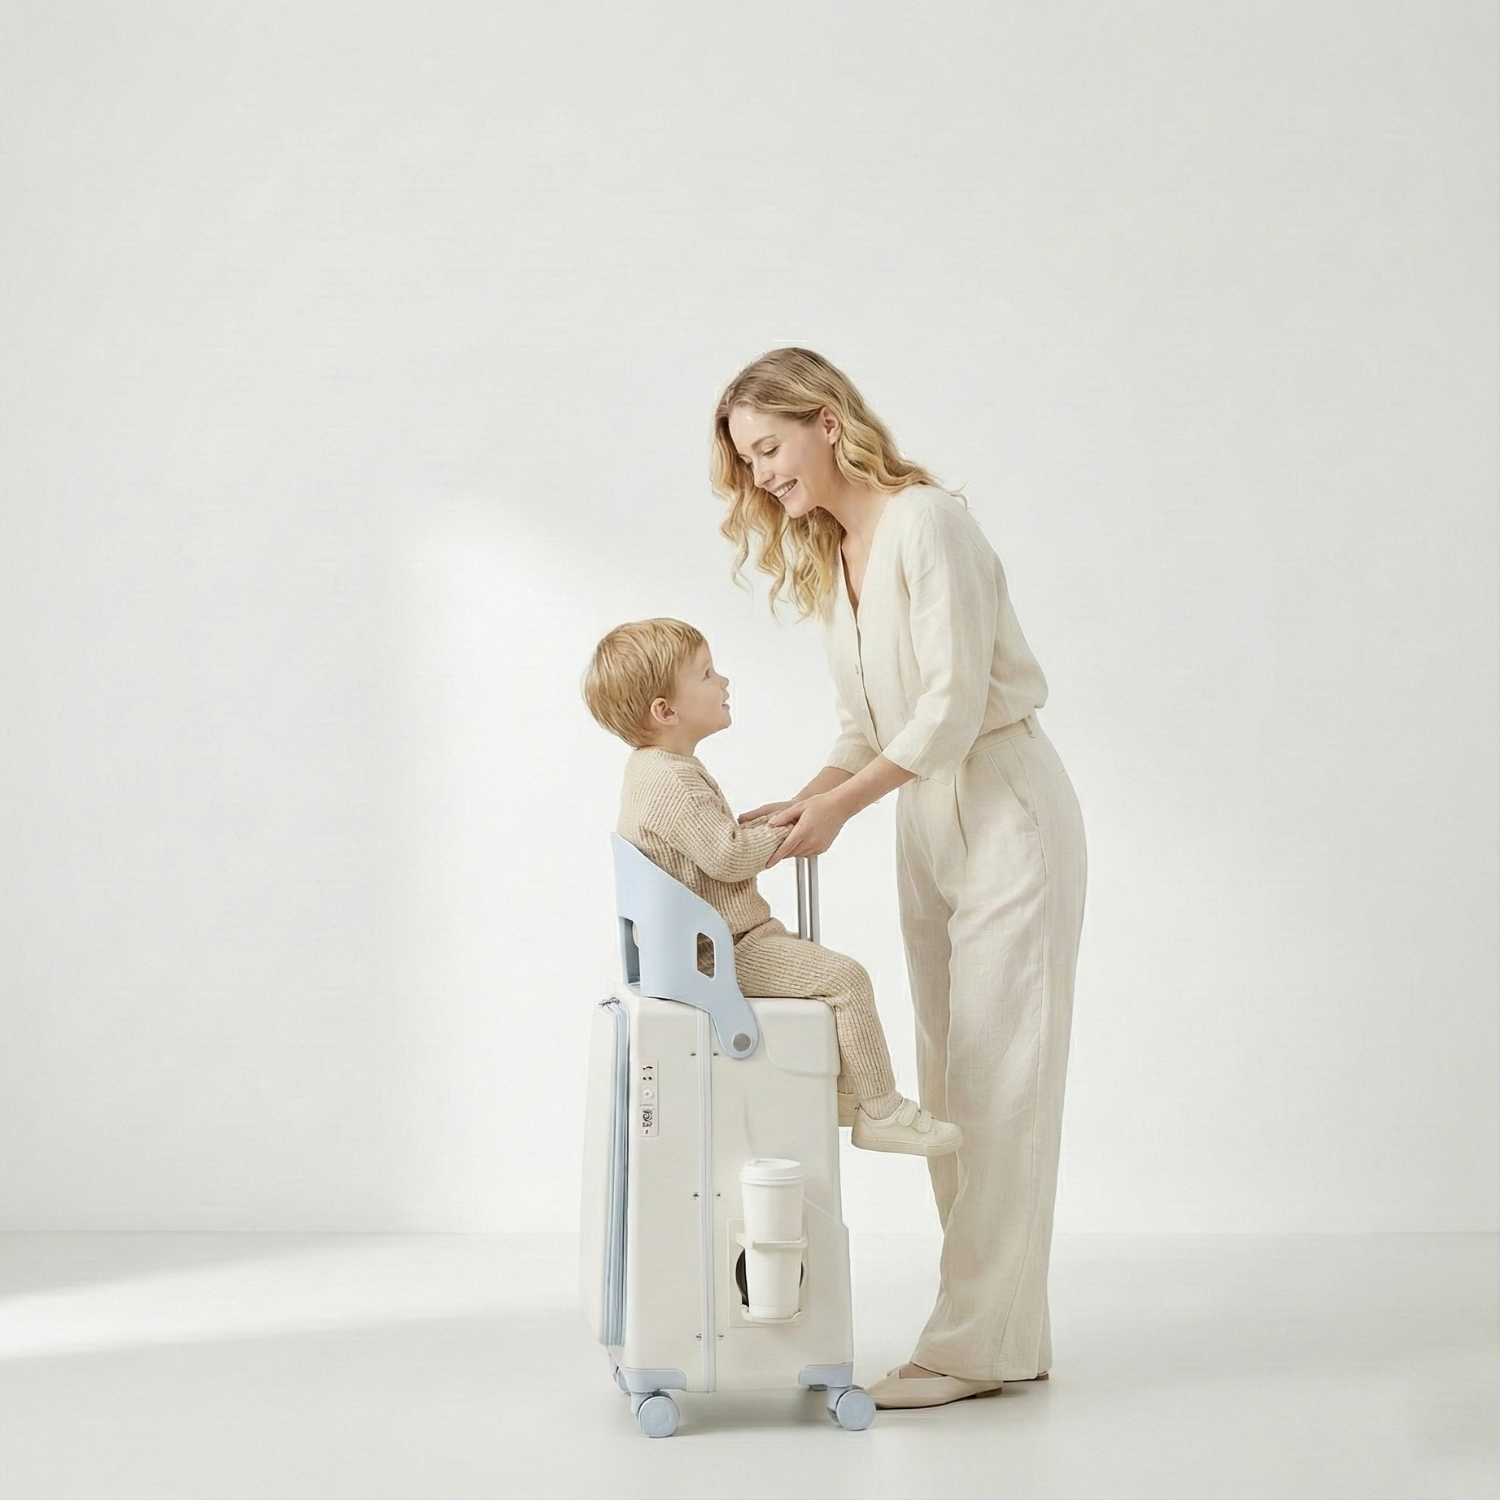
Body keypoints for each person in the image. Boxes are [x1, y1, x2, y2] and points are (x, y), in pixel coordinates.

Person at [711, 348, 1087, 1410]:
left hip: (1004, 802)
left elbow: (953, 708)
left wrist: (844, 806)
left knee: (1003, 1081)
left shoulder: (927, 524)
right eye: (748, 461)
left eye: (771, 448)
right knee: (951, 1080)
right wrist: (804, 802)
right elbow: (863, 726)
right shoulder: (837, 553)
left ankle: (971, 1346)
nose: (762, 476)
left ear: (828, 422)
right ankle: (1003, 1335)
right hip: (923, 811)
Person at [583, 615, 962, 1157]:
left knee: (827, 975)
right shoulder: (671, 781)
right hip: (720, 954)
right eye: (706, 674)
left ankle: (844, 1095)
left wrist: (782, 817)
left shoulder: (654, 769)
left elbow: (710, 845)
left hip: (716, 943)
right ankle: (881, 1111)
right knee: (846, 980)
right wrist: (792, 827)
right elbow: (728, 855)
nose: (723, 681)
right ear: (665, 711)